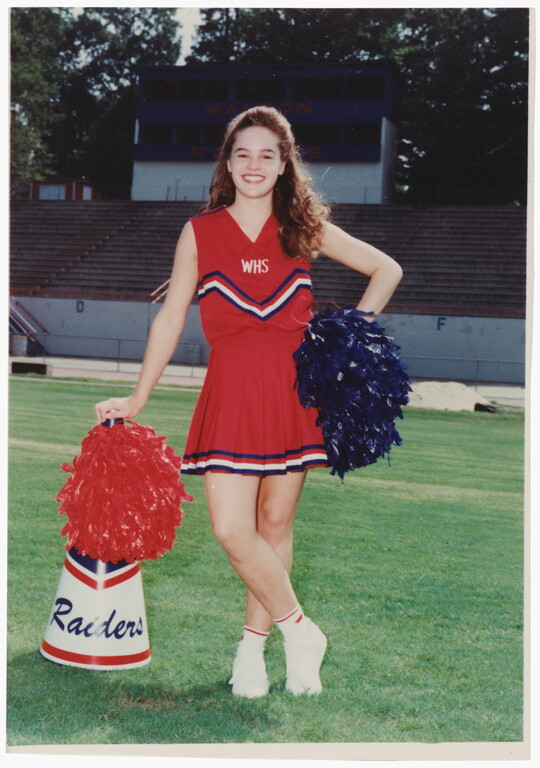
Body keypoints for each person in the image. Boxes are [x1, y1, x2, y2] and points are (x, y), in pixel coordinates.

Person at [95, 106, 403, 698]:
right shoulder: (201, 231)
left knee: (274, 523)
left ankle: (253, 655)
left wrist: (348, 341)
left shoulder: (304, 228)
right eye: (243, 154)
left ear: (285, 163)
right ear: (228, 163)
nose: (254, 165)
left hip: (294, 393)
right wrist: (138, 397)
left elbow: (384, 269)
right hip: (230, 392)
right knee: (232, 529)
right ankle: (301, 631)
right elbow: (171, 318)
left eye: (268, 154)